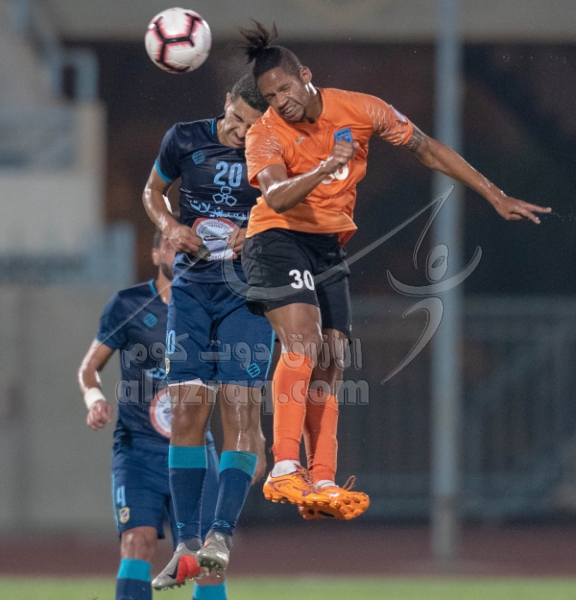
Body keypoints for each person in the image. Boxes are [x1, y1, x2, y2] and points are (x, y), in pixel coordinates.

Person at [238, 22, 552, 521]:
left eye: (286, 89)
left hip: (327, 246)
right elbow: (276, 196)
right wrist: (324, 167)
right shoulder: (265, 133)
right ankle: (284, 468)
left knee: (332, 358)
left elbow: (426, 147)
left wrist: (494, 194)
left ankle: (322, 480)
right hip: (275, 238)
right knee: (303, 341)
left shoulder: (361, 109)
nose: (282, 102)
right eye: (271, 97)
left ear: (306, 75)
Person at [142, 74, 273, 582]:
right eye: (237, 120)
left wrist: (255, 229)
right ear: (226, 102)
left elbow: (296, 210)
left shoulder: (273, 153)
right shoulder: (183, 138)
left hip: (248, 293)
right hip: (193, 291)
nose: (241, 133)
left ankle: (220, 535)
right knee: (187, 413)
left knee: (241, 411)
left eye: (252, 126)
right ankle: (187, 544)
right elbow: (153, 191)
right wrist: (171, 226)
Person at [78, 231, 229, 600]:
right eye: (172, 246)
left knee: (208, 561)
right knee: (137, 541)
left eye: (187, 247)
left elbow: (233, 384)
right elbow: (89, 367)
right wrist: (95, 398)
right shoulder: (127, 304)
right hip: (138, 452)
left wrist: (248, 440)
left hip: (194, 450)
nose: (180, 252)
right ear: (156, 253)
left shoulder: (211, 307)